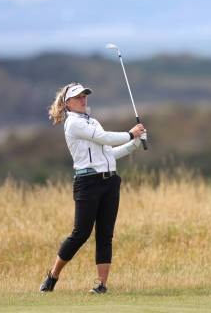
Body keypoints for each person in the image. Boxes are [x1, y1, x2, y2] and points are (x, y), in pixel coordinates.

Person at [40, 82, 146, 294]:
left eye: (85, 96)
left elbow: (108, 153)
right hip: (87, 183)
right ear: (68, 103)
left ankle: (101, 285)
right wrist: (131, 134)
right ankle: (53, 276)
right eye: (78, 97)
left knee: (105, 234)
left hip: (109, 181)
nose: (83, 99)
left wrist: (134, 144)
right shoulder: (73, 124)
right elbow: (105, 138)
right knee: (80, 233)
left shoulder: (92, 121)